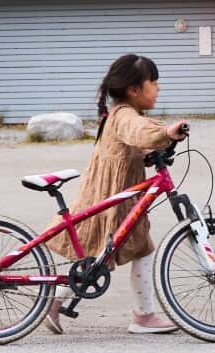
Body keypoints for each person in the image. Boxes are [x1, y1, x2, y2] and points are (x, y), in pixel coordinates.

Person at [43, 53, 187, 336]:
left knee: (96, 253)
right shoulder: (124, 116)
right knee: (117, 251)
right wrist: (166, 132)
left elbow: (134, 142)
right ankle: (143, 316)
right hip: (111, 196)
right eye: (154, 83)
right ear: (134, 90)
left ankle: (56, 301)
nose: (158, 89)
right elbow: (139, 131)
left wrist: (149, 153)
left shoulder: (125, 114)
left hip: (116, 195)